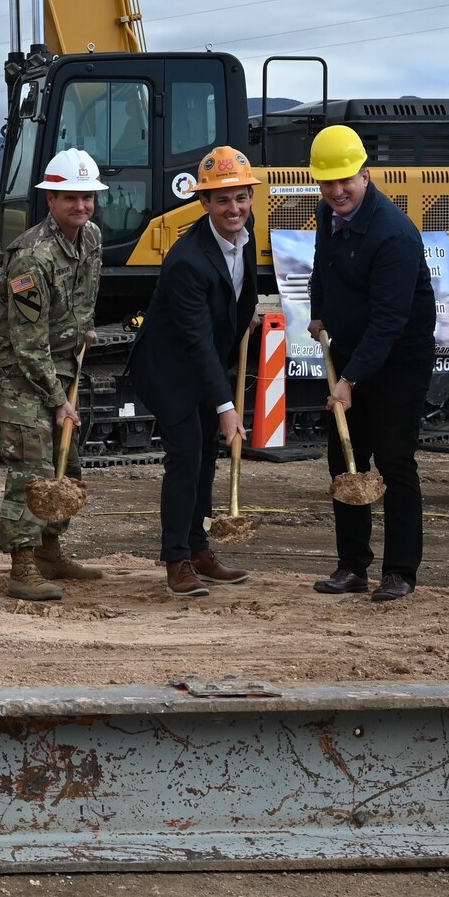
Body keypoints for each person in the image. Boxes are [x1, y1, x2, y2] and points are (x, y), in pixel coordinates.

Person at [306, 124, 436, 602]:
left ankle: (400, 571)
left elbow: (389, 322)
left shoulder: (394, 235)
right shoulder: (328, 213)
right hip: (351, 349)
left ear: (365, 174)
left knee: (394, 460)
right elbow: (323, 265)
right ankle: (352, 566)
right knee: (346, 458)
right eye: (327, 182)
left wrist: (351, 380)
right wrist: (319, 310)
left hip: (400, 356)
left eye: (346, 180)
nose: (336, 191)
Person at [135, 146, 261, 597]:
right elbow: (196, 341)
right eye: (223, 199)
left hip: (205, 362)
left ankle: (199, 547)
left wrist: (243, 314)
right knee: (186, 456)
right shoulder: (188, 259)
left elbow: (240, 297)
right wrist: (226, 405)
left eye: (241, 197)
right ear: (204, 202)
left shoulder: (245, 238)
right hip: (170, 368)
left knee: (206, 455)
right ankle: (176, 559)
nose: (234, 208)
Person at [0, 148, 105, 601]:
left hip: (63, 364)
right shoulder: (30, 258)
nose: (81, 206)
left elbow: (85, 297)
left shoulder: (90, 238)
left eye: (87, 197)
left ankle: (49, 551)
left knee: (67, 465)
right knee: (32, 468)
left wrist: (83, 332)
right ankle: (22, 566)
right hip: (22, 372)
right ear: (51, 200)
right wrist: (58, 401)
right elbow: (27, 341)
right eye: (71, 198)